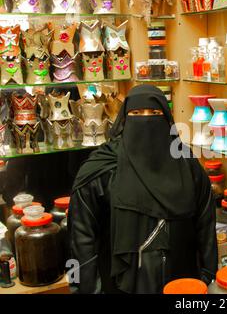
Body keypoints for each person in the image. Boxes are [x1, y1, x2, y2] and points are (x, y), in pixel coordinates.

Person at [68, 85, 218, 294]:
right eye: (136, 114)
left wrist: (209, 274)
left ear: (166, 119)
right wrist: (88, 290)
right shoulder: (102, 169)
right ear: (125, 119)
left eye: (155, 113)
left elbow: (205, 223)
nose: (146, 120)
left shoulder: (186, 164)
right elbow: (82, 238)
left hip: (183, 283)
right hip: (120, 287)